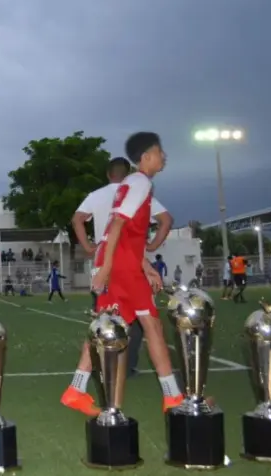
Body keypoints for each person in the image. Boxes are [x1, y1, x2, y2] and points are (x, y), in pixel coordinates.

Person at [62, 132, 182, 415]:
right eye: (159, 151)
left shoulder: (134, 184)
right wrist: (105, 270)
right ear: (146, 157)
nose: (164, 156)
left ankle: (77, 389)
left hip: (123, 262)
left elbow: (127, 234)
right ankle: (172, 396)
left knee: (130, 326)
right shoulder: (140, 183)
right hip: (119, 266)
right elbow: (116, 225)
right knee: (143, 326)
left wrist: (147, 265)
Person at [71, 156, 173, 377]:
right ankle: (126, 367)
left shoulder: (96, 195)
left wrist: (89, 246)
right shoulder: (137, 190)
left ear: (108, 174)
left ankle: (97, 370)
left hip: (104, 261)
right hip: (130, 263)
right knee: (142, 321)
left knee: (104, 318)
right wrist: (152, 245)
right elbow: (166, 220)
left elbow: (77, 219)